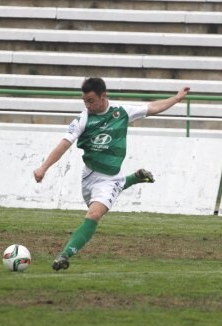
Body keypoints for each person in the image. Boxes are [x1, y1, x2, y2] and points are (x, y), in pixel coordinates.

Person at [34, 77, 190, 271]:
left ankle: (64, 255)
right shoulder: (84, 118)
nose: (87, 105)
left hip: (108, 179)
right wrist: (44, 167)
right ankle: (133, 178)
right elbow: (65, 143)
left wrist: (176, 98)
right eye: (84, 101)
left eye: (91, 100)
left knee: (94, 214)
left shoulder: (121, 112)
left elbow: (153, 107)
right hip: (89, 177)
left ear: (103, 96)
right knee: (105, 196)